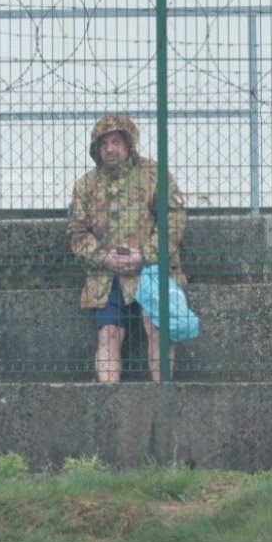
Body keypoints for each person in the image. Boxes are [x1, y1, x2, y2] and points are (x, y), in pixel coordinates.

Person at [67, 115, 186, 382]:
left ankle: (162, 395)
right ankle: (109, 403)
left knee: (155, 325)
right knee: (109, 332)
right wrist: (104, 258)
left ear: (129, 144)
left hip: (152, 270)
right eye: (104, 143)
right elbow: (77, 232)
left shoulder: (154, 175)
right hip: (107, 277)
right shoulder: (86, 185)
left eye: (117, 142)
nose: (110, 149)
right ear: (96, 149)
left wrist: (145, 256)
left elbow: (174, 220)